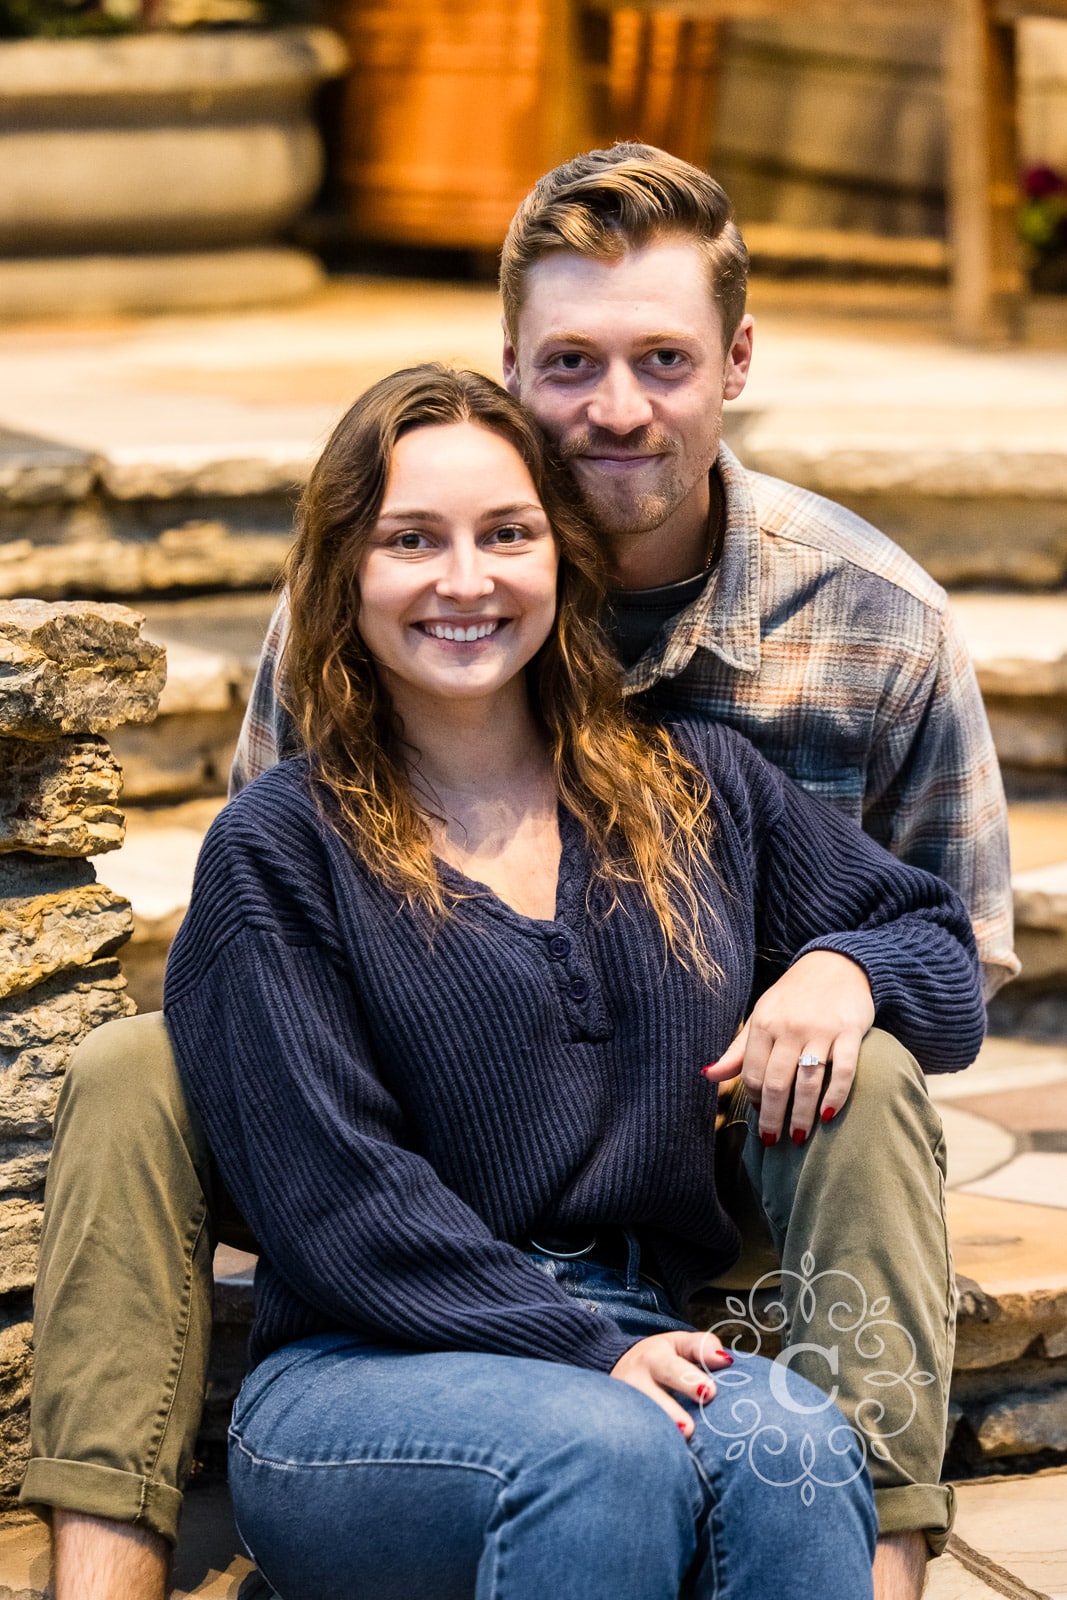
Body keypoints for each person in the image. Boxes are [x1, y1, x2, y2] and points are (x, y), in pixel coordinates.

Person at [22, 146, 1011, 1600]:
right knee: (129, 1067)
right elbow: (291, 1051)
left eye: (662, 358)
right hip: (384, 1309)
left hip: (702, 1146)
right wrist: (582, 1344)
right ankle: (102, 1557)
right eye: (412, 543)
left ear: (735, 362)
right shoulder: (297, 809)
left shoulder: (786, 702)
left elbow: (944, 946)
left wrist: (843, 965)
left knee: (811, 1357)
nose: (465, 580)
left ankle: (895, 1552)